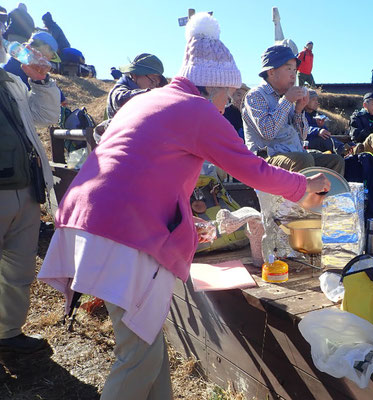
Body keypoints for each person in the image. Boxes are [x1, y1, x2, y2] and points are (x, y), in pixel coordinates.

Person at [38, 12, 330, 400]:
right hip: (118, 233)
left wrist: (186, 220)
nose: (229, 103)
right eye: (228, 93)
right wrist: (302, 186)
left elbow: (140, 173)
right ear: (212, 86)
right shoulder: (197, 110)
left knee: (145, 344)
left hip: (88, 219)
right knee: (137, 356)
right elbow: (252, 168)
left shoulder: (153, 99)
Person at [0, 20, 60, 354]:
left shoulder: (11, 81)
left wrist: (43, 81)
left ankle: (8, 334)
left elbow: (46, 115)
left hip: (25, 191)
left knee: (19, 268)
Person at [243, 45, 344, 174]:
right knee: (303, 160)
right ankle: (301, 194)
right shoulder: (255, 95)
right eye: (289, 69)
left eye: (295, 70)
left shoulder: (287, 96)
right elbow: (267, 133)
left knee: (335, 161)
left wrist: (299, 110)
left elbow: (302, 136)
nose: (293, 75)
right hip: (265, 158)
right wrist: (286, 101)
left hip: (293, 153)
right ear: (271, 72)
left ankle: (323, 195)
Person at [3, 31, 66, 104]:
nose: (50, 58)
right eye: (53, 55)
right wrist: (61, 98)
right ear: (45, 47)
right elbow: (43, 82)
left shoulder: (16, 53)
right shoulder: (30, 60)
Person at [106, 53, 167, 119]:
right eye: (152, 80)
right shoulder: (118, 91)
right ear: (134, 75)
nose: (154, 86)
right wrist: (152, 94)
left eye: (157, 83)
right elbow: (120, 99)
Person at [304, 89, 348, 155]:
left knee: (327, 138)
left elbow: (325, 133)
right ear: (305, 101)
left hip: (316, 140)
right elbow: (301, 128)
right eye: (313, 100)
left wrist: (321, 126)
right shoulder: (300, 113)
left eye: (317, 100)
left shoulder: (316, 115)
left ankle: (347, 149)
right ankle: (344, 150)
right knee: (326, 141)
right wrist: (318, 130)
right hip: (305, 142)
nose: (317, 102)